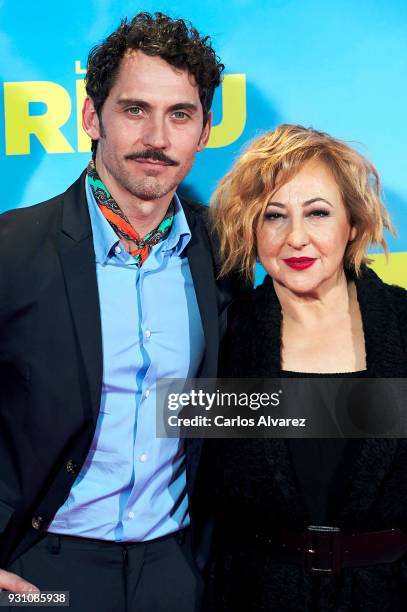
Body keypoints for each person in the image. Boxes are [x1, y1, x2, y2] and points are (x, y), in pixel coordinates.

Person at [0, 12, 245, 612]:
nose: (157, 138)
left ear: (204, 131)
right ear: (92, 117)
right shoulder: (11, 249)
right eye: (135, 109)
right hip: (41, 575)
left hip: (176, 572)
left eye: (180, 115)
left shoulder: (225, 252)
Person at [204, 124, 407, 611]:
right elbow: (199, 487)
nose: (296, 237)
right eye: (274, 216)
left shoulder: (402, 323)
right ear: (252, 229)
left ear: (353, 224)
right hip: (255, 596)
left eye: (317, 212)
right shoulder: (220, 340)